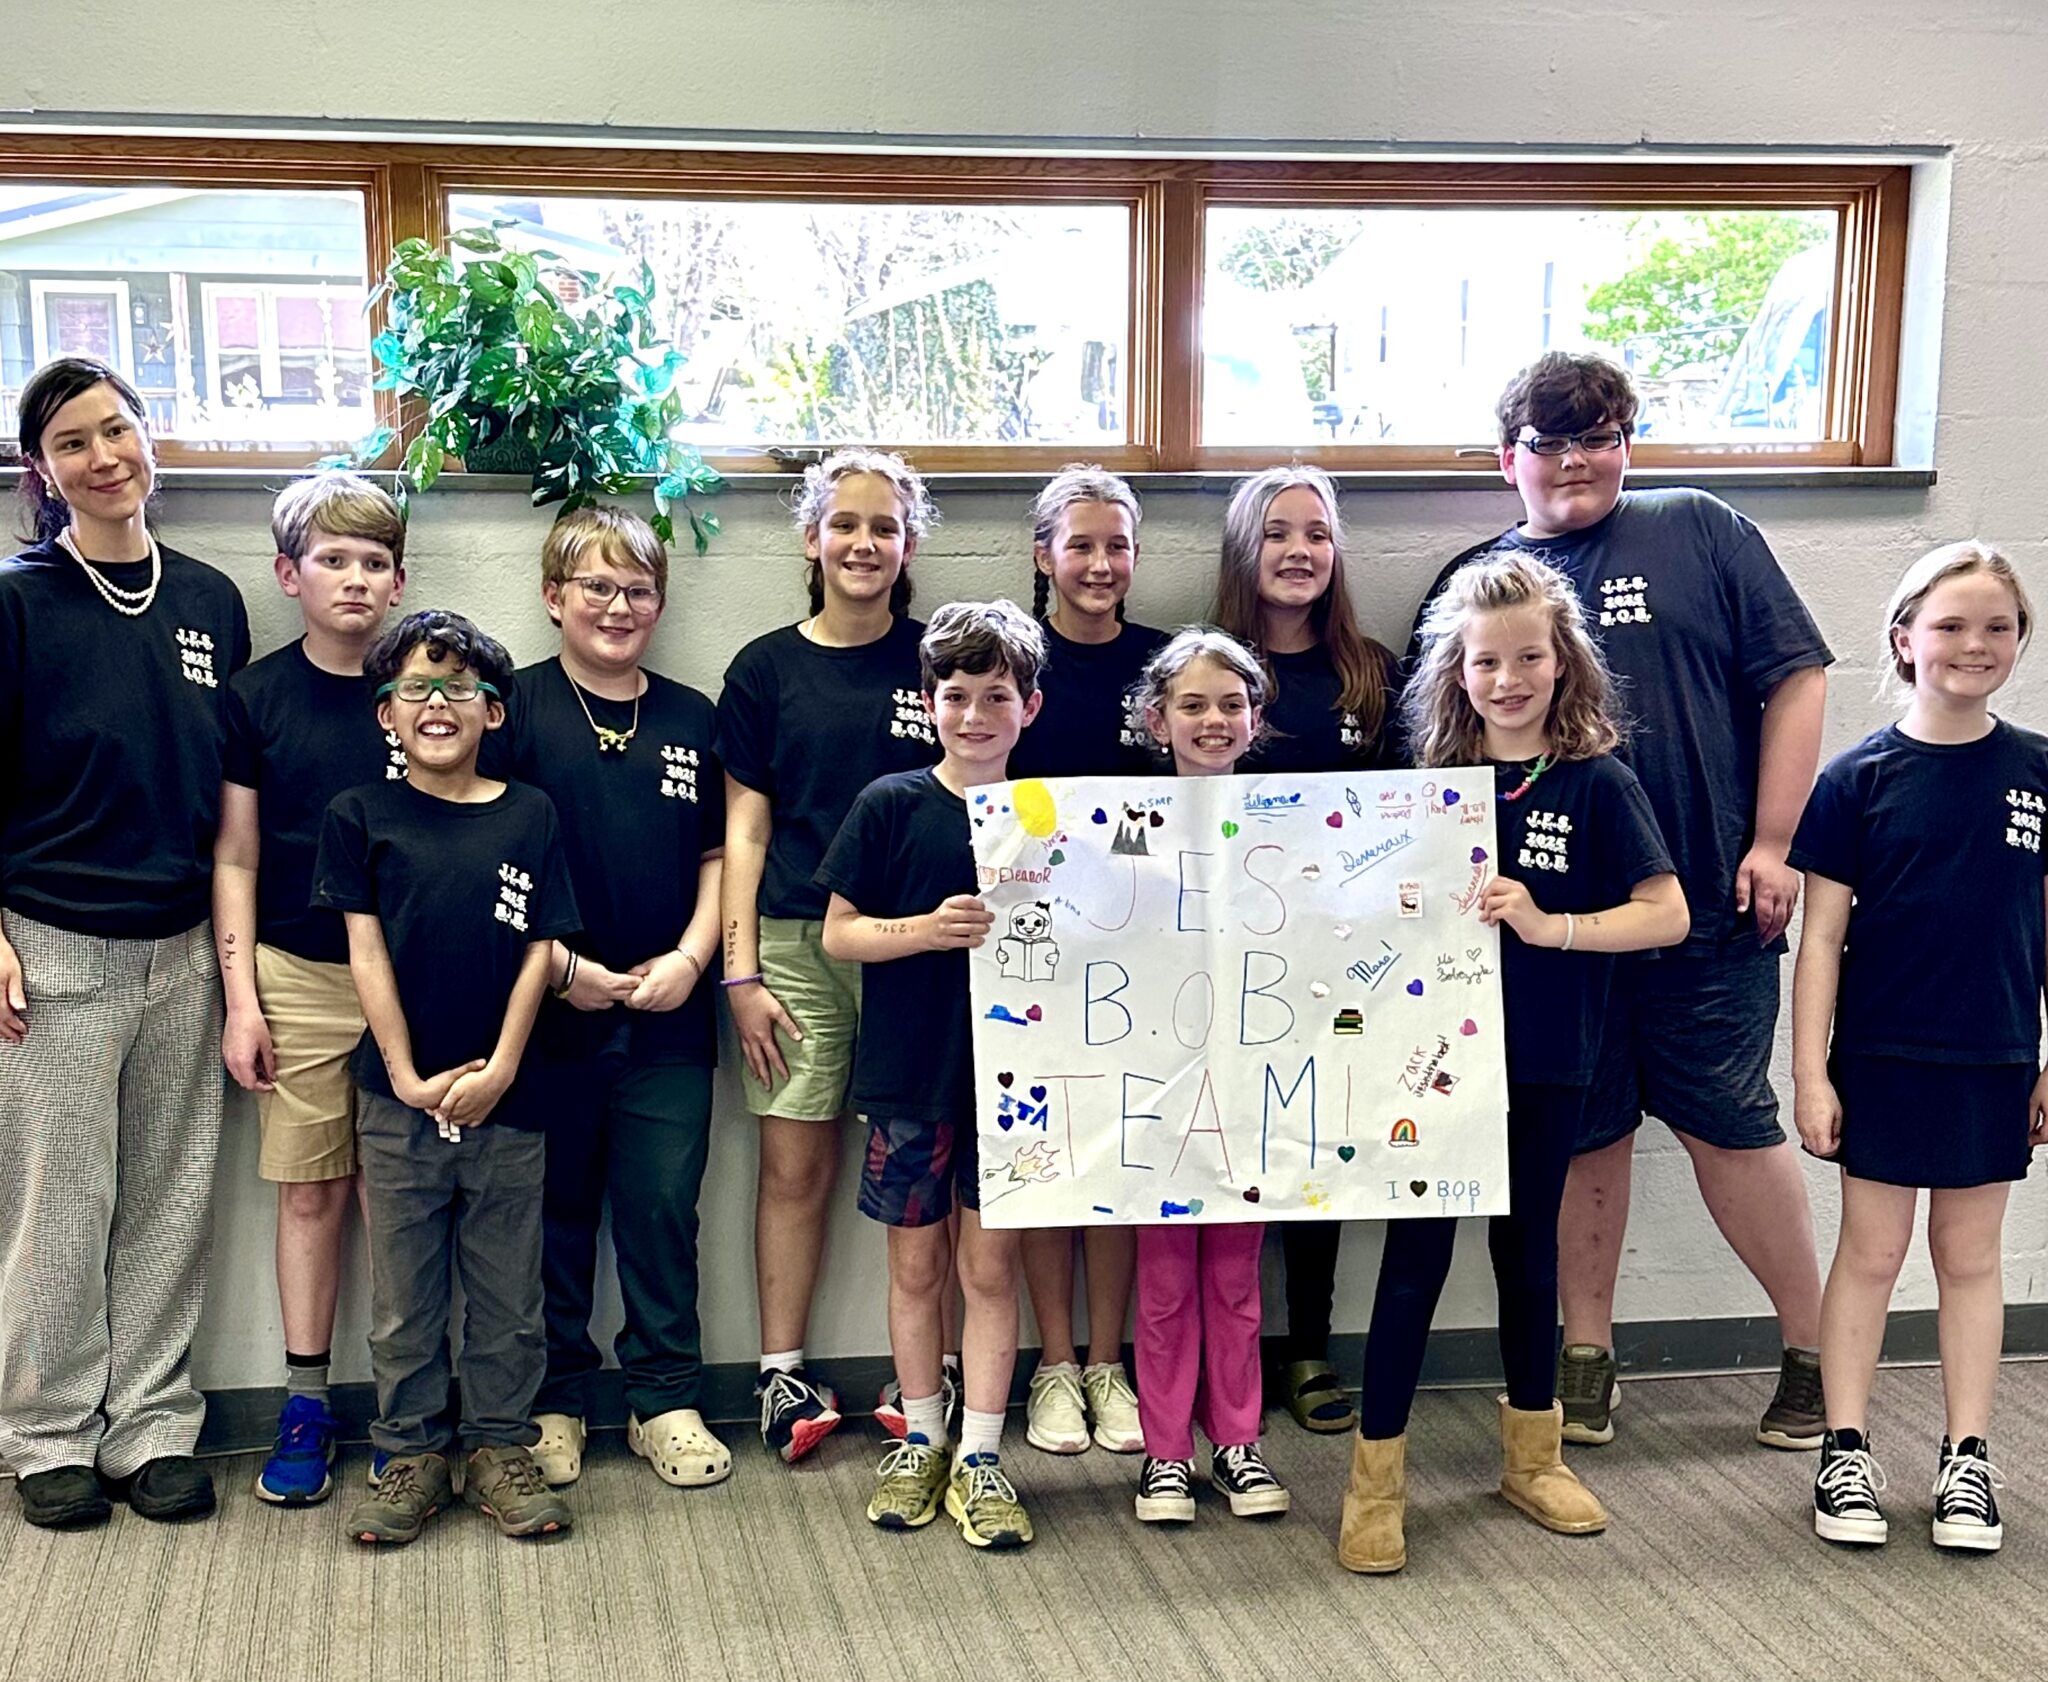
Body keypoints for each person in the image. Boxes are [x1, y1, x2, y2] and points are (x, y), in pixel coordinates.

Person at [1414, 351, 1833, 1451]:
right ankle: (1586, 1356)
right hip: (1545, 942)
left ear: (1626, 445)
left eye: (1598, 438)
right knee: (1581, 1134)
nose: (1575, 461)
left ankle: (1815, 1351)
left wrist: (1775, 842)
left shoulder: (1700, 528)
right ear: (1508, 459)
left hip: (1707, 902)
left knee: (1727, 1122)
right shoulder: (1474, 583)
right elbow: (1437, 768)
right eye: (1549, 443)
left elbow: (1797, 677)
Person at [1339, 554, 1688, 1574]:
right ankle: (1374, 1480)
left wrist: (1551, 926)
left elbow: (1665, 913)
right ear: (1457, 671)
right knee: (1412, 1263)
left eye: (1528, 656)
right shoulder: (1425, 789)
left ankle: (1533, 1458)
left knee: (1527, 1255)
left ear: (1561, 659)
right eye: (1486, 661)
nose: (1508, 679)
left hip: (1545, 1059)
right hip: (1432, 1067)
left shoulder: (1598, 781)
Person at [0, 356, 250, 1531]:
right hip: (53, 942)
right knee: (55, 1205)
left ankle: (151, 1425)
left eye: (117, 429)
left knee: (167, 1197)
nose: (105, 457)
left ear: (150, 436)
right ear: (41, 471)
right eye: (72, 443)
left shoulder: (208, 598)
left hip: (183, 943)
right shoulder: (17, 600)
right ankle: (46, 1431)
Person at [1791, 541, 2046, 1553]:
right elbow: (1817, 941)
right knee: (1871, 1252)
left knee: (1969, 1257)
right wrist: (1809, 1073)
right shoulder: (1855, 779)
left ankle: (1966, 1457)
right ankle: (1844, 1447)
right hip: (1883, 1056)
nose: (1973, 644)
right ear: (1904, 640)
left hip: (1993, 1055)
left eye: (1996, 627)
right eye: (1949, 625)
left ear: (2019, 641)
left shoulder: (2036, 772)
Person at [313, 609, 579, 1546]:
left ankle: (501, 1446)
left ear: (493, 711)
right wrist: (405, 1074)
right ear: (385, 713)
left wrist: (503, 1065)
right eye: (417, 688)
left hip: (514, 1096)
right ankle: (411, 1453)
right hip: (397, 1103)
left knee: (510, 1296)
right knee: (404, 1299)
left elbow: (543, 948)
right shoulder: (358, 815)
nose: (438, 703)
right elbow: (366, 954)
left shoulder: (531, 813)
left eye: (460, 688)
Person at [487, 507, 732, 1492]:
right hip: (545, 1010)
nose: (618, 606)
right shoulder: (512, 708)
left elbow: (719, 857)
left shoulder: (692, 717)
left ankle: (662, 1397)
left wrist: (692, 957)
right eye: (596, 586)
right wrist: (558, 966)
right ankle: (555, 1397)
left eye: (637, 589)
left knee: (662, 1207)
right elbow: (482, 854)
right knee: (552, 1210)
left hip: (669, 1009)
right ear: (554, 597)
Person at [716, 448, 942, 1462]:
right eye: (844, 524)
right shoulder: (764, 669)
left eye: (884, 526)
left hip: (917, 948)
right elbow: (745, 831)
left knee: (923, 1164)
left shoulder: (940, 657)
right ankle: (782, 1372)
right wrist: (740, 972)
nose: (863, 542)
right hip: (795, 943)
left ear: (908, 545)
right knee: (794, 1163)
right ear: (810, 539)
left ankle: (924, 1371)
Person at [818, 599, 1047, 1549]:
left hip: (1017, 1088)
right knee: (915, 1268)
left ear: (1030, 707)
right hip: (910, 1077)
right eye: (956, 695)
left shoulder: (1051, 814)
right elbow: (839, 933)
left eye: (997, 695)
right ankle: (921, 1439)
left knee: (990, 1269)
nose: (976, 714)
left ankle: (983, 1455)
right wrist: (924, 931)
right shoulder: (890, 803)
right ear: (928, 703)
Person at [216, 471, 408, 1508]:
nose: (356, 578)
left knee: (399, 1196)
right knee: (311, 1192)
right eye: (333, 559)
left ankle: (404, 1406)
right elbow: (236, 855)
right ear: (290, 575)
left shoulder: (425, 690)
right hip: (293, 973)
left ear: (399, 580)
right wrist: (242, 999)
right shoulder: (255, 698)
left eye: (375, 560)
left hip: (411, 981)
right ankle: (305, 1402)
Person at [1211, 464, 1399, 1436]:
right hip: (1224, 956)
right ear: (1242, 550)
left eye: (1316, 533)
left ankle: (1310, 1346)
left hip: (1340, 959)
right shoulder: (1209, 667)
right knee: (1227, 1145)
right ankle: (1221, 1350)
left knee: (1317, 1146)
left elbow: (1411, 813)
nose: (1298, 551)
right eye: (1277, 532)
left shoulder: (1372, 672)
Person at [1009, 464, 1160, 1458]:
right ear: (1044, 555)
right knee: (1044, 1156)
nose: (1099, 564)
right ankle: (1055, 1364)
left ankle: (1108, 1361)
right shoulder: (1015, 663)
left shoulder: (1162, 663)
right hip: (1032, 955)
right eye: (1080, 545)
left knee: (1119, 1158)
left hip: (1144, 954)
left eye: (1117, 546)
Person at [1128, 627, 1291, 1524]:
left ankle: (1236, 1439)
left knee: (1235, 1275)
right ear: (1158, 720)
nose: (1213, 720)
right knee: (1163, 1283)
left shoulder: (1287, 822)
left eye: (1231, 704)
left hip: (1251, 1089)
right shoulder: (1124, 824)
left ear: (1256, 718)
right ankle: (1165, 1454)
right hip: (1154, 1090)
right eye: (1192, 705)